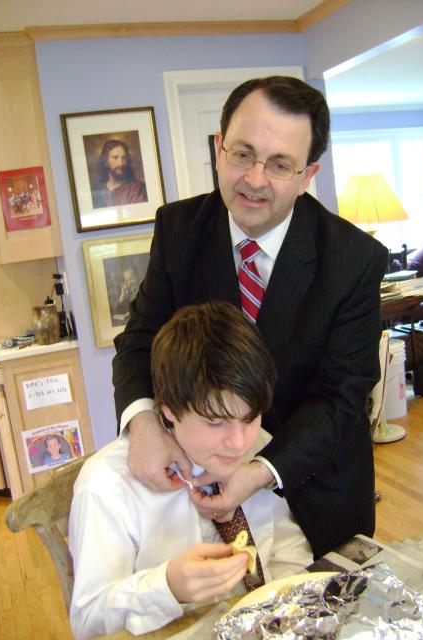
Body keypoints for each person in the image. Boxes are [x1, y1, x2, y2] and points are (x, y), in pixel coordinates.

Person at [112, 75, 389, 560]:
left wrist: (259, 471)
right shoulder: (178, 230)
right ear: (219, 149)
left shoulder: (354, 259)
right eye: (242, 154)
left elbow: (341, 396)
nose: (255, 180)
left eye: (280, 164)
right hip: (199, 488)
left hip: (313, 492)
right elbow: (140, 342)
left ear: (307, 175)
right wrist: (144, 424)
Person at [70, 302, 313, 639]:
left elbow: (287, 548)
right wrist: (166, 586)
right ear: (168, 410)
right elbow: (88, 622)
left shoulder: (258, 447)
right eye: (215, 422)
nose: (238, 442)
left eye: (250, 418)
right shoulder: (107, 487)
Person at [92, 139, 147, 208]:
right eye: (115, 158)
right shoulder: (96, 190)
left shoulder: (137, 189)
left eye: (124, 158)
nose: (121, 163)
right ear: (105, 161)